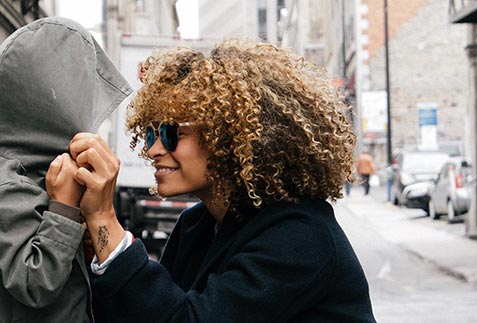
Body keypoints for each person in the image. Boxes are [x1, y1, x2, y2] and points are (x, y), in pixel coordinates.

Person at [68, 39, 376, 322]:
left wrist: (104, 218)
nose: (152, 149)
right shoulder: (195, 226)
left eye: (171, 133)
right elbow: (149, 312)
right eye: (150, 132)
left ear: (228, 138)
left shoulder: (302, 237)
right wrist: (97, 250)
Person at [0, 17, 131, 323]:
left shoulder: (32, 174)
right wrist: (62, 211)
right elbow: (34, 283)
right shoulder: (10, 184)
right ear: (53, 102)